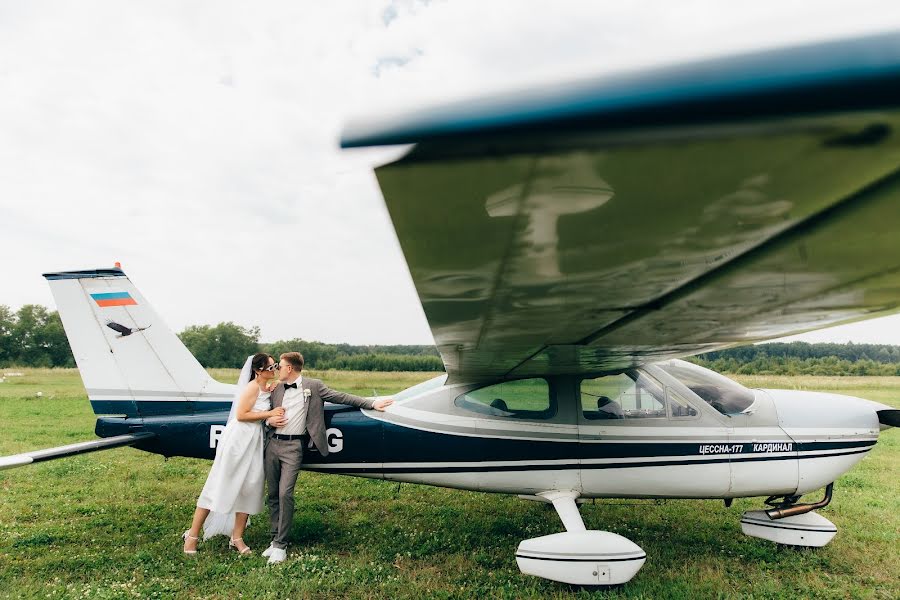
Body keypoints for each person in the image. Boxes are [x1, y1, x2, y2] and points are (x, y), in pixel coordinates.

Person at [261, 351, 393, 564]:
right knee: (273, 494)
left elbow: (341, 396)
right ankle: (273, 539)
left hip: (294, 447)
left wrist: (371, 403)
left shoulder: (313, 386)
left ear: (290, 368)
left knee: (286, 493)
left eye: (279, 366)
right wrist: (269, 422)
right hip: (272, 444)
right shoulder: (276, 388)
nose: (276, 370)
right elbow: (265, 412)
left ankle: (281, 546)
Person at [182, 353, 285, 555]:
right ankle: (192, 536)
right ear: (258, 370)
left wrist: (275, 386)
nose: (274, 370)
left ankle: (237, 537)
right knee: (219, 485)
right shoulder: (252, 388)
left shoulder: (268, 387)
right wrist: (269, 414)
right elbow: (241, 415)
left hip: (254, 441)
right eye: (270, 368)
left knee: (250, 486)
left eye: (275, 367)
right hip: (239, 440)